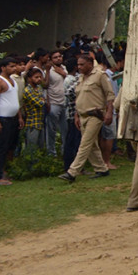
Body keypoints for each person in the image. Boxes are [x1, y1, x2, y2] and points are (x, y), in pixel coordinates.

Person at [59, 47, 114, 182]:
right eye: (78, 65)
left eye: (82, 64)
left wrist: (109, 112)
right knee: (92, 145)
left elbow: (110, 95)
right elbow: (79, 97)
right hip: (82, 114)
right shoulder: (80, 77)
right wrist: (76, 115)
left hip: (96, 114)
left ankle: (72, 172)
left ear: (90, 64)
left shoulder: (100, 75)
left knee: (85, 143)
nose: (79, 67)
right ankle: (101, 169)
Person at [0, 57, 22, 185]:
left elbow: (15, 100)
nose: (14, 68)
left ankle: (4, 171)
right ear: (3, 68)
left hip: (13, 118)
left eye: (15, 66)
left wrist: (19, 117)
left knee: (10, 147)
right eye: (11, 66)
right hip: (3, 118)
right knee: (1, 147)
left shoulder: (13, 80)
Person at [45, 49, 67, 156]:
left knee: (65, 129)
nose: (58, 58)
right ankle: (51, 152)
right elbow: (45, 86)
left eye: (59, 56)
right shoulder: (49, 71)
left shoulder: (65, 68)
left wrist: (63, 73)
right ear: (51, 60)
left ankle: (65, 151)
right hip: (54, 102)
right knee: (51, 129)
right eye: (55, 57)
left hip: (65, 103)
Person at [62, 53, 81, 171]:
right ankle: (71, 165)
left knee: (75, 140)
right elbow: (69, 93)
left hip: (72, 114)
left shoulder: (72, 78)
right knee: (73, 141)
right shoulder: (72, 80)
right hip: (72, 114)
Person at [20, 67, 46, 153]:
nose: (39, 79)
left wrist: (43, 100)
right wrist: (43, 100)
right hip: (32, 123)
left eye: (40, 77)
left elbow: (42, 100)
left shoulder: (39, 88)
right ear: (29, 78)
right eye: (36, 77)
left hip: (40, 122)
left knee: (40, 147)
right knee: (31, 149)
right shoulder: (28, 90)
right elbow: (39, 103)